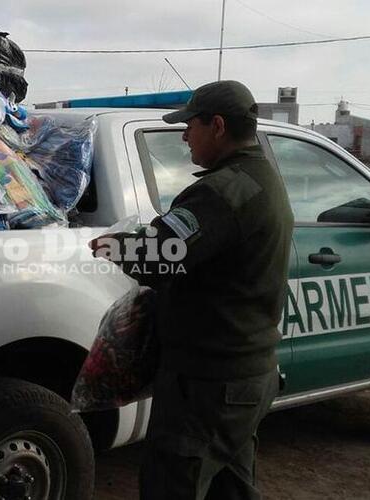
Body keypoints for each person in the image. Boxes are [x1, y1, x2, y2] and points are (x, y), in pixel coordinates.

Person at [90, 80, 294, 499]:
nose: (184, 135)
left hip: (209, 386)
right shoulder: (261, 178)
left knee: (173, 485)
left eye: (190, 125)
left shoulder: (224, 192)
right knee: (231, 488)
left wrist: (108, 244)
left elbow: (157, 255)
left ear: (217, 125)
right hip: (245, 377)